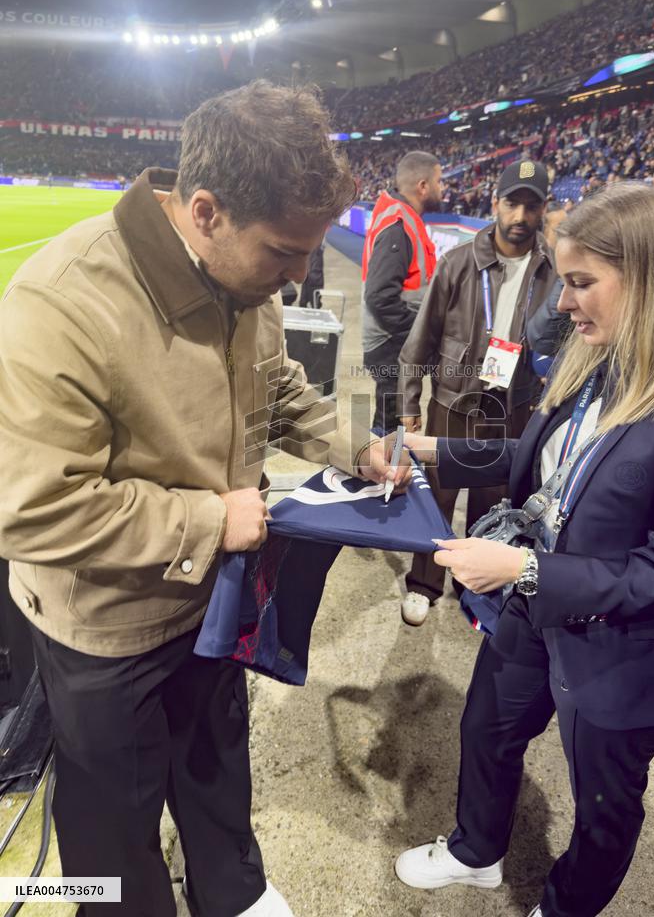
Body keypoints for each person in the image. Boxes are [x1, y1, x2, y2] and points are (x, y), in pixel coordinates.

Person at [0, 81, 408, 917]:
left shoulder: (245, 284)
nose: (300, 276)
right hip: (103, 630)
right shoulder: (62, 300)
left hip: (212, 599)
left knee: (218, 757)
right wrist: (210, 519)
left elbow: (280, 388)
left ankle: (235, 893)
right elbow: (31, 505)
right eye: (284, 252)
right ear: (208, 210)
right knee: (110, 822)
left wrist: (353, 448)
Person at [395, 183, 654, 917]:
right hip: (541, 601)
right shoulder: (602, 353)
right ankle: (476, 851)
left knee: (604, 799)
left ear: (648, 278)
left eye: (582, 283)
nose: (562, 302)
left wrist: (522, 567)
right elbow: (536, 461)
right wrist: (422, 446)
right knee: (488, 727)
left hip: (629, 639)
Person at [397, 160, 556, 626]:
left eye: (531, 205)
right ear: (495, 204)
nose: (521, 215)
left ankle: (474, 590)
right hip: (453, 402)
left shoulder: (552, 271)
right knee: (438, 499)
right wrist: (407, 405)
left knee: (496, 506)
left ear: (543, 209)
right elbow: (418, 343)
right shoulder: (458, 263)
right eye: (513, 203)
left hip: (513, 408)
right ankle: (425, 584)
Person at [361, 150, 442, 433]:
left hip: (394, 342)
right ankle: (381, 475)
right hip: (390, 345)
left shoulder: (402, 217)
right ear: (423, 186)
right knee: (390, 433)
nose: (442, 188)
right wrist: (420, 333)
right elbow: (380, 295)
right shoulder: (399, 223)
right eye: (439, 181)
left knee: (391, 429)